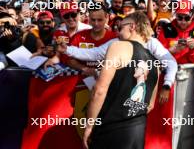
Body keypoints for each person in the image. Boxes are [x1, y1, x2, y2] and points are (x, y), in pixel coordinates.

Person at [57, 11, 159, 149]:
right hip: (137, 131)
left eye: (120, 27)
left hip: (111, 129)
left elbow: (99, 90)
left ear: (132, 27)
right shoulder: (155, 62)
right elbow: (150, 105)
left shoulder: (119, 46)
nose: (117, 32)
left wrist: (90, 125)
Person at [157, 0, 194, 64]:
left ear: (192, 16)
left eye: (187, 18)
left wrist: (193, 49)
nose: (183, 21)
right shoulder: (166, 29)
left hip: (191, 70)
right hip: (170, 69)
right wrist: (170, 51)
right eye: (179, 17)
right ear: (175, 15)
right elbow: (158, 57)